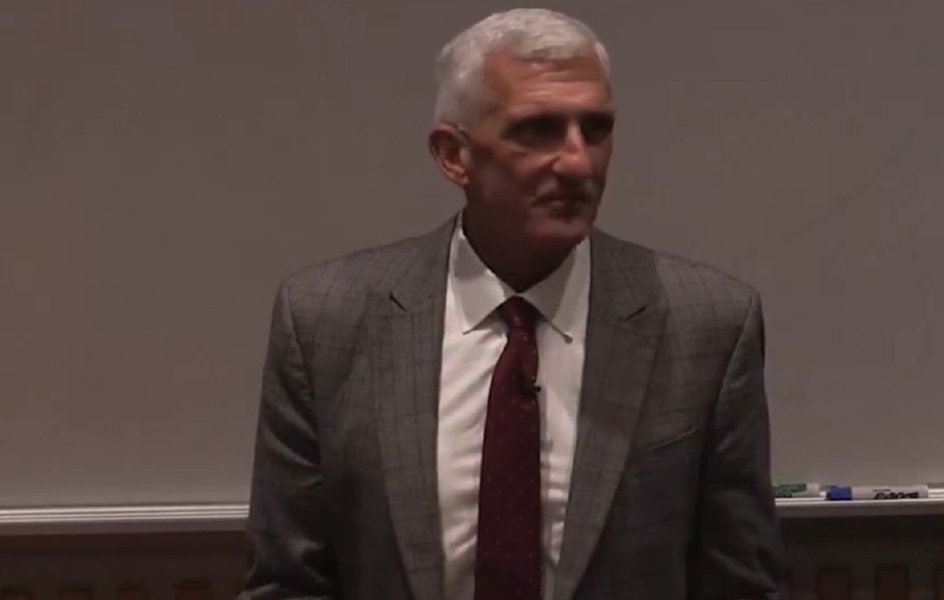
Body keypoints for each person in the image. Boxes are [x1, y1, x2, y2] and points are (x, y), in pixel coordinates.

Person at [241, 8, 783, 600]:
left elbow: (741, 584)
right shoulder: (327, 322)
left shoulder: (706, 324)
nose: (578, 162)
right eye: (537, 130)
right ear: (453, 155)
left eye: (595, 129)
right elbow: (290, 582)